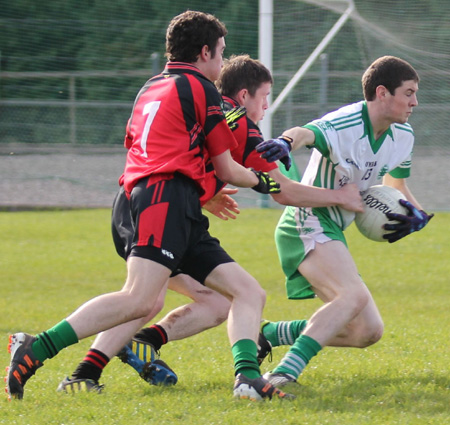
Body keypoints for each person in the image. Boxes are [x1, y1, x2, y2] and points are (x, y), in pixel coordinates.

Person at [5, 11, 294, 402]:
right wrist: (267, 181)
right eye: (221, 53)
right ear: (205, 51)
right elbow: (227, 167)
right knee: (140, 298)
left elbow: (147, 146)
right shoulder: (201, 88)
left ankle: (246, 379)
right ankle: (36, 348)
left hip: (164, 199)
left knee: (246, 293)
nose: (222, 64)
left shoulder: (151, 86)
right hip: (165, 198)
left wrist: (200, 193)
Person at [57, 54, 364, 392]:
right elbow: (284, 192)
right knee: (147, 297)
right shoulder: (240, 123)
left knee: (205, 301)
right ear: (245, 96)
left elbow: (180, 156)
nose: (265, 107)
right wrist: (342, 198)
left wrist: (204, 192)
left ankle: (117, 356)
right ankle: (56, 353)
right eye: (265, 98)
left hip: (144, 201)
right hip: (159, 207)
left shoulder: (201, 101)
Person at [254, 55, 434, 386]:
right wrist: (285, 142)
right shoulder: (346, 123)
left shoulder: (403, 136)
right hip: (306, 220)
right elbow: (305, 132)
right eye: (408, 92)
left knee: (367, 331)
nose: (415, 102)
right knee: (351, 297)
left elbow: (396, 185)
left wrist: (417, 216)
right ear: (382, 93)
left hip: (335, 228)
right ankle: (283, 374)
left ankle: (267, 333)